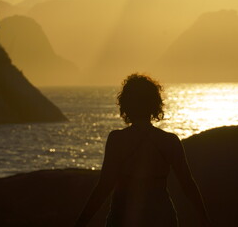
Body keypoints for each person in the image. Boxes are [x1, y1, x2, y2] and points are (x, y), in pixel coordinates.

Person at [74, 74, 212, 227]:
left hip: (123, 215)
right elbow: (187, 184)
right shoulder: (169, 141)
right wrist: (204, 218)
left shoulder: (117, 139)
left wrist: (81, 222)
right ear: (154, 104)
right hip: (161, 215)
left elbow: (104, 185)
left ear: (125, 104)